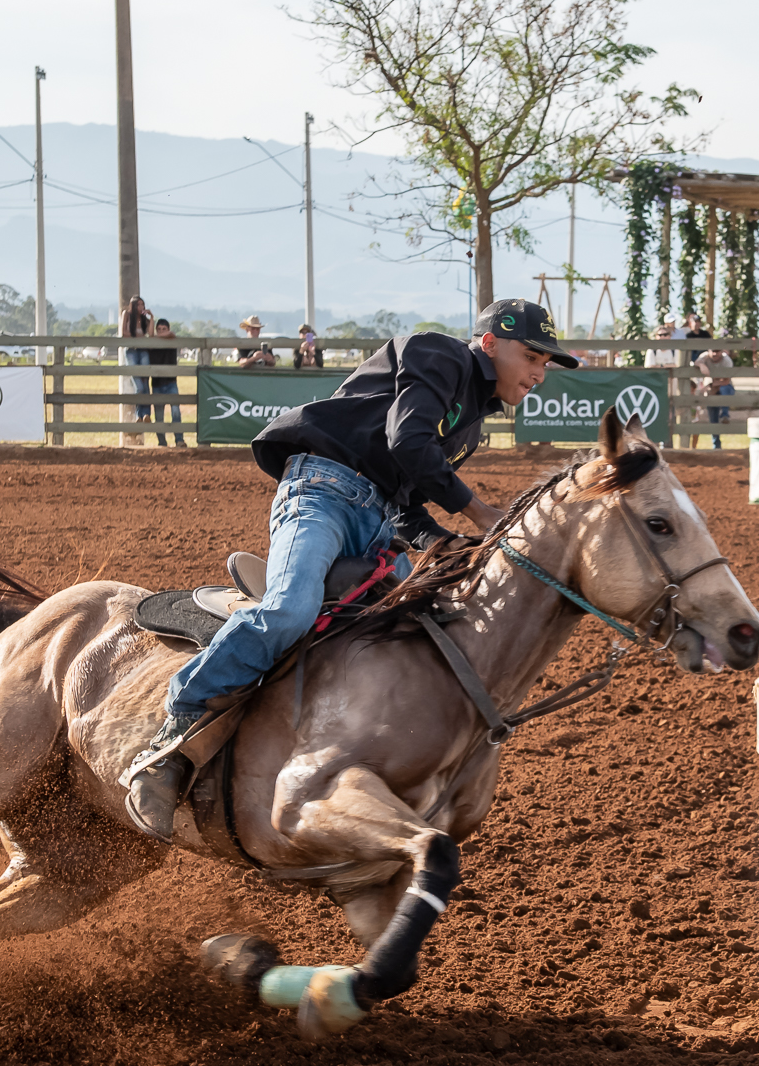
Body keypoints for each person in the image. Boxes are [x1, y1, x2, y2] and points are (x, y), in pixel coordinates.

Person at [122, 298, 567, 840]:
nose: (540, 372)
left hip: (379, 521)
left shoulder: (471, 425)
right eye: (533, 356)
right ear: (490, 344)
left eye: (547, 363)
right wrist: (477, 512)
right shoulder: (440, 355)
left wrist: (446, 545)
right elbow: (408, 439)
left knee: (432, 632)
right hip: (321, 493)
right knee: (290, 610)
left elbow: (405, 494)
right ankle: (171, 741)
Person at [144, 316, 185, 447]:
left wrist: (155, 336)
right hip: (157, 384)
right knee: (159, 416)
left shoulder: (171, 340)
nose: (161, 331)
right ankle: (162, 441)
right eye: (159, 329)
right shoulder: (153, 345)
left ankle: (179, 439)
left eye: (164, 329)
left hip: (171, 382)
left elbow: (172, 334)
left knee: (176, 412)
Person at [691, 340, 735, 448]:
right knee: (712, 415)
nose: (715, 354)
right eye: (712, 351)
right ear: (709, 351)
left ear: (722, 351)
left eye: (717, 351)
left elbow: (726, 381)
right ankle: (716, 444)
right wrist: (701, 365)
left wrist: (711, 385)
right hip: (711, 388)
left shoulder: (726, 361)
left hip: (722, 385)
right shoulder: (705, 357)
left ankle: (725, 414)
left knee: (725, 390)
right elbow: (696, 361)